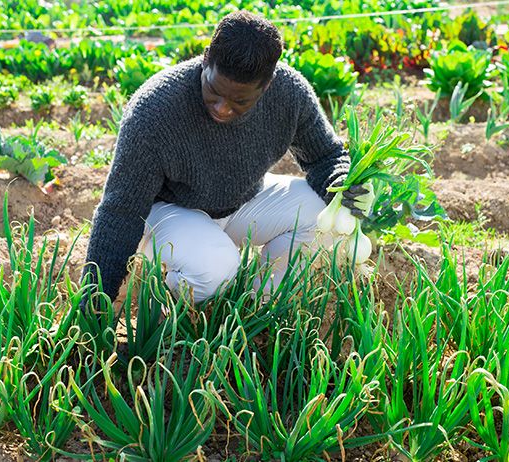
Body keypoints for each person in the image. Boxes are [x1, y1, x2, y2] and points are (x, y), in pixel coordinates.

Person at [79, 11, 373, 310]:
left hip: (241, 199)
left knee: (325, 218)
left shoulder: (289, 93)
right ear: (206, 60)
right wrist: (93, 304)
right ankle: (164, 313)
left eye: (240, 101)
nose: (222, 108)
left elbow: (325, 156)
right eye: (214, 92)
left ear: (267, 84)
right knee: (215, 268)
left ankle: (257, 309)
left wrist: (341, 182)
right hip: (170, 210)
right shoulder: (156, 109)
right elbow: (122, 209)